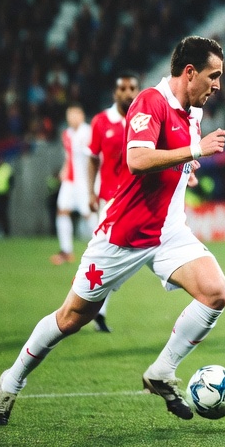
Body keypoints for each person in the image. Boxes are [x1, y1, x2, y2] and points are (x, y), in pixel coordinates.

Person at [0, 36, 225, 425]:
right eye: (213, 75)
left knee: (216, 292)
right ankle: (10, 382)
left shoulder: (194, 110)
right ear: (190, 72)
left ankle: (161, 371)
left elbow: (170, 157)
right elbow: (137, 159)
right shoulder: (150, 102)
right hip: (125, 235)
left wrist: (185, 166)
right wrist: (195, 151)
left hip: (168, 231)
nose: (217, 85)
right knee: (71, 318)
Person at [85, 73, 141, 333]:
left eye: (132, 88)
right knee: (105, 253)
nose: (128, 93)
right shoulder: (101, 121)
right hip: (110, 200)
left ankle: (98, 299)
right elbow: (93, 158)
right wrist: (90, 192)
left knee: (139, 253)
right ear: (115, 93)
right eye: (123, 88)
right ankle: (95, 310)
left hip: (139, 200)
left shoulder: (144, 119)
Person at [51, 105, 92, 265]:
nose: (71, 118)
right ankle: (66, 251)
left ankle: (102, 247)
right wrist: (64, 170)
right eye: (69, 115)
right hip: (70, 181)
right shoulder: (67, 134)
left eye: (74, 114)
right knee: (62, 211)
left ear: (81, 116)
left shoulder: (88, 132)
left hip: (84, 181)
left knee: (88, 214)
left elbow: (94, 157)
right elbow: (69, 157)